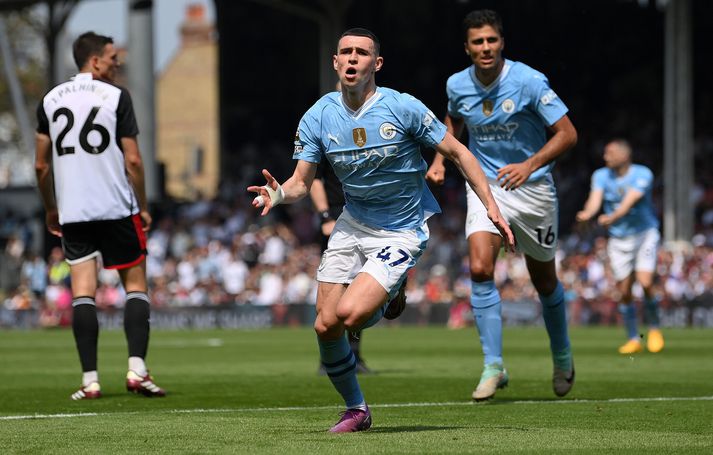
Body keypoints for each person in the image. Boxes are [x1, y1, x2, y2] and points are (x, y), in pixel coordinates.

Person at [249, 28, 515, 432]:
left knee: (351, 316)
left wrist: (491, 207)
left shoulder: (402, 107)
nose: (353, 58)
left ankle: (393, 287)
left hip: (402, 229)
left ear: (377, 64)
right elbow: (302, 182)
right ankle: (357, 409)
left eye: (362, 53)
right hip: (353, 224)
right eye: (345, 52)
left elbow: (458, 152)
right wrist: (279, 194)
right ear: (335, 62)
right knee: (325, 324)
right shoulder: (319, 115)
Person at [426, 9, 578, 401]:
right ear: (467, 48)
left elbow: (567, 134)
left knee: (544, 280)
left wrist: (530, 164)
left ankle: (562, 356)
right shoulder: (458, 84)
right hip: (487, 187)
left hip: (534, 189)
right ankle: (493, 366)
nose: (486, 47)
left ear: (501, 42)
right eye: (478, 42)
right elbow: (453, 121)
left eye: (491, 40)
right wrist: (441, 160)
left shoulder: (528, 81)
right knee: (479, 267)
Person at [35, 31, 165, 400]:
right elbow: (134, 159)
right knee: (135, 285)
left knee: (82, 292)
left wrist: (50, 207)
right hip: (115, 205)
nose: (117, 63)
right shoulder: (116, 97)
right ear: (94, 61)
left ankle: (90, 380)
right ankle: (137, 371)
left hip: (74, 209)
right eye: (111, 57)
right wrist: (142, 205)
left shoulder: (49, 99)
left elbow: (40, 165)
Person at [576, 139, 664, 354]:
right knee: (624, 291)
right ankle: (634, 338)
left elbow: (630, 201)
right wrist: (587, 213)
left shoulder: (642, 174)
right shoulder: (600, 175)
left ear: (625, 156)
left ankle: (653, 329)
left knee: (644, 281)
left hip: (644, 234)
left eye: (610, 153)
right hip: (618, 238)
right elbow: (595, 200)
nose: (606, 157)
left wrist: (613, 216)